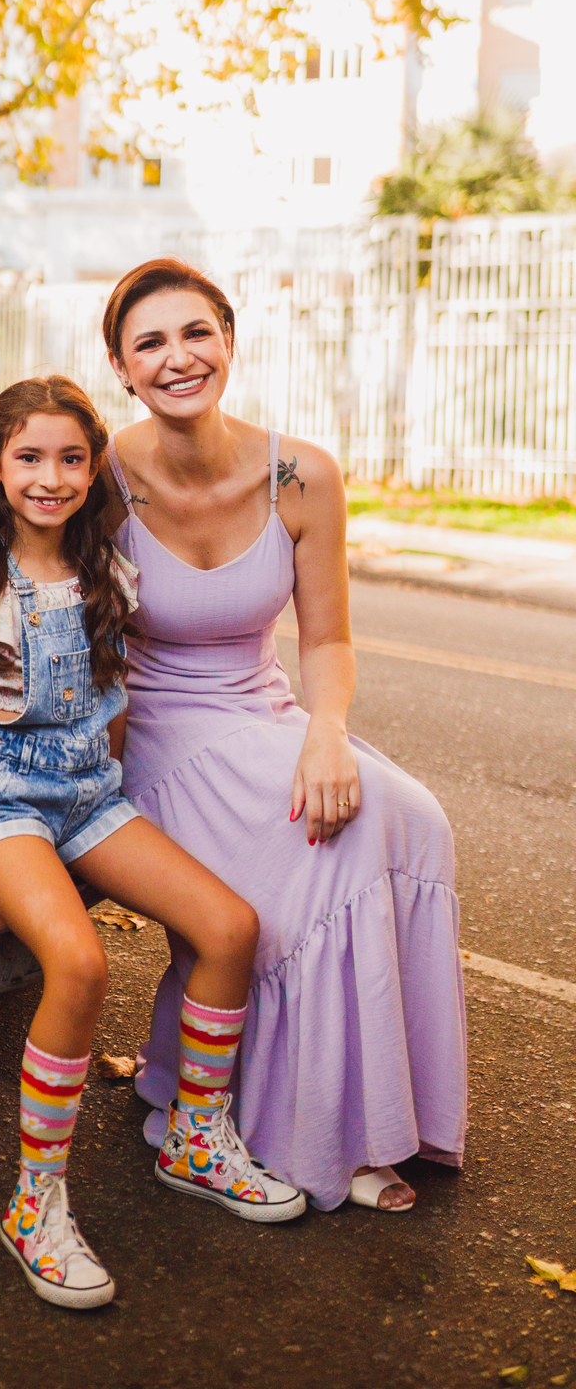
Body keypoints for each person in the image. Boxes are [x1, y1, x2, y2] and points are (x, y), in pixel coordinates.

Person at [0, 374, 305, 1315]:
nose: (51, 477)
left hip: (90, 798)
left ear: (95, 471)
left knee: (231, 927)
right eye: (31, 458)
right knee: (80, 967)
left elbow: (113, 709)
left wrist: (120, 811)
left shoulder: (109, 575)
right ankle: (34, 1204)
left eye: (72, 459)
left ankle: (197, 1138)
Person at [101, 258, 468, 1214]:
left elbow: (330, 638)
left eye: (196, 334)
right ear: (123, 369)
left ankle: (387, 1108)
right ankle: (310, 1129)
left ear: (230, 343)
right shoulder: (98, 480)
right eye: (151, 344)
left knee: (415, 817)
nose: (178, 358)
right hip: (160, 737)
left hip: (266, 712)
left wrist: (329, 732)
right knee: (326, 841)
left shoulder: (303, 475)